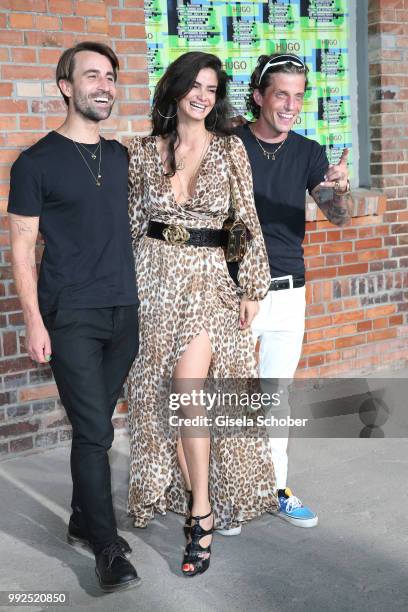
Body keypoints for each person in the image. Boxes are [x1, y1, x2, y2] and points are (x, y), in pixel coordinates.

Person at [127, 51, 277, 577]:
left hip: (209, 280)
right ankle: (195, 498)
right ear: (175, 89)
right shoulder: (143, 152)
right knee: (164, 393)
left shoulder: (231, 149)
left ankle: (201, 513)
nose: (203, 95)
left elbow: (246, 220)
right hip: (154, 281)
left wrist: (252, 286)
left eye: (212, 89)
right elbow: (131, 226)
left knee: (187, 388)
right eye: (195, 84)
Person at [7, 42, 141, 592]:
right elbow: (20, 250)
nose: (104, 85)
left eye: (110, 76)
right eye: (92, 76)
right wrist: (35, 323)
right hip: (72, 316)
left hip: (124, 314)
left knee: (95, 430)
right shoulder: (35, 162)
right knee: (94, 433)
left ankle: (83, 517)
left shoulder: (120, 158)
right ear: (66, 86)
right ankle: (106, 549)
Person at [234, 53, 352, 527]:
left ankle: (274, 486)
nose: (290, 105)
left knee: (275, 394)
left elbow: (337, 216)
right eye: (281, 93)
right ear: (260, 96)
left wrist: (334, 188)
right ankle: (228, 492)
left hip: (289, 291)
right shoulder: (230, 144)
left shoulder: (308, 151)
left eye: (299, 96)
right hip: (237, 289)